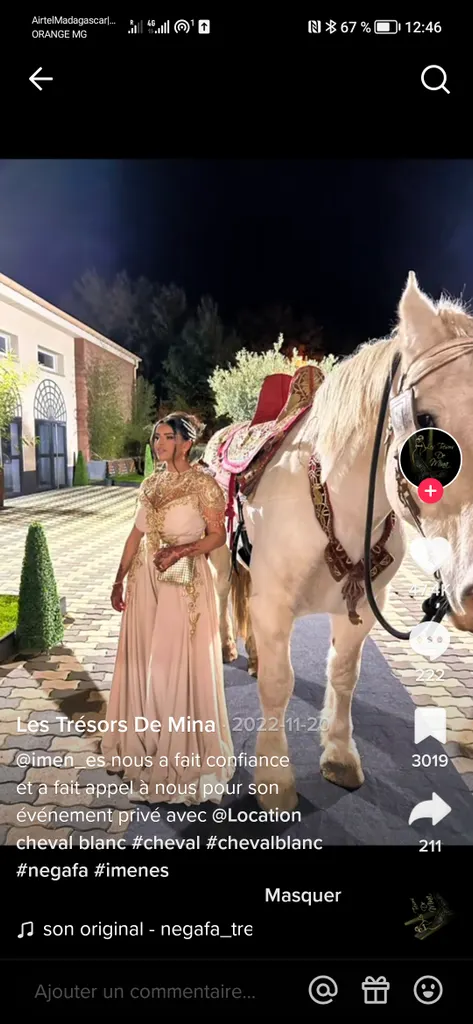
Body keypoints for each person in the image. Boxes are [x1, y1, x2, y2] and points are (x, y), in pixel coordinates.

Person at [101, 412, 234, 805]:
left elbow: (217, 535)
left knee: (169, 665)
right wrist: (119, 578)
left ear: (186, 443)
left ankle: (179, 752)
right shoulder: (151, 483)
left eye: (166, 437)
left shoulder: (205, 485)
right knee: (143, 661)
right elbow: (136, 534)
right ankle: (143, 743)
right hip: (145, 582)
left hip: (184, 582)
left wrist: (181, 550)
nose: (158, 443)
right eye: (156, 437)